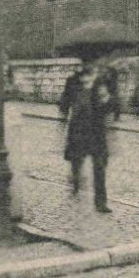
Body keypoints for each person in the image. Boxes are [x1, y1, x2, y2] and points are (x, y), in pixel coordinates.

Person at [59, 57, 121, 213]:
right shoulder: (72, 82)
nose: (89, 66)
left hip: (96, 131)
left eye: (92, 63)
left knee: (99, 166)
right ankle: (75, 182)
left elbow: (113, 106)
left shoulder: (103, 82)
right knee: (76, 161)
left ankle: (100, 203)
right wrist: (64, 116)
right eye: (86, 63)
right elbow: (64, 103)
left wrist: (106, 98)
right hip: (78, 130)